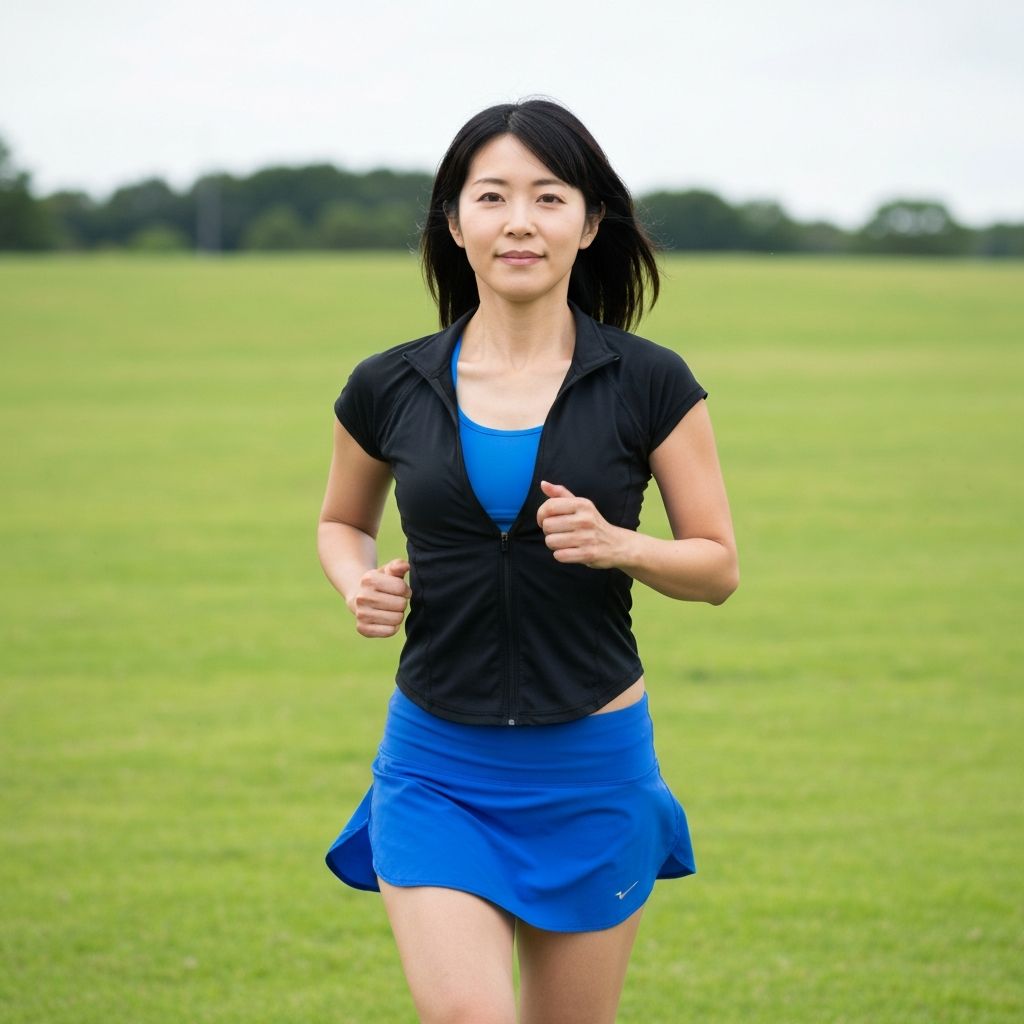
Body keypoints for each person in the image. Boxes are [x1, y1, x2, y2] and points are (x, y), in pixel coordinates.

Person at [317, 97, 739, 1024]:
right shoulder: (386, 384)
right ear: (454, 221)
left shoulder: (651, 382)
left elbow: (717, 566)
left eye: (549, 198)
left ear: (589, 225)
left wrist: (621, 545)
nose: (519, 221)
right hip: (436, 765)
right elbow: (341, 523)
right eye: (492, 196)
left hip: (594, 764)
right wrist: (361, 582)